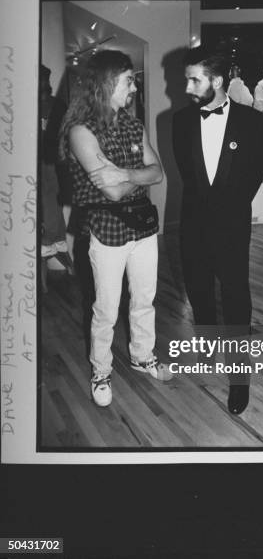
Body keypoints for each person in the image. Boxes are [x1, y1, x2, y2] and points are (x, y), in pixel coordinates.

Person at [60, 50, 172, 408]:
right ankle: (101, 370)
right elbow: (109, 191)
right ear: (106, 82)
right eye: (129, 80)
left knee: (144, 299)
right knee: (106, 309)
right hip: (106, 229)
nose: (135, 88)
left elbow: (159, 173)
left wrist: (124, 173)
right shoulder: (81, 131)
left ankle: (142, 355)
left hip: (143, 227)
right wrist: (135, 177)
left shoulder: (134, 125)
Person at [172, 45, 263, 414]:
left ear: (216, 80)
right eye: (187, 80)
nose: (187, 88)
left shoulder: (253, 121)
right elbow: (188, 175)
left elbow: (254, 175)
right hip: (193, 225)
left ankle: (240, 379)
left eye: (194, 80)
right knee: (198, 293)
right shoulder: (180, 121)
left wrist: (227, 212)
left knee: (235, 299)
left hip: (231, 226)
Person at [40, 65, 73, 291]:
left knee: (53, 201)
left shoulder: (58, 104)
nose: (45, 82)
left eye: (46, 78)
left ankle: (51, 243)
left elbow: (66, 133)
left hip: (53, 161)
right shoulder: (27, 103)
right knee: (46, 203)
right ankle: (52, 243)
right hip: (33, 163)